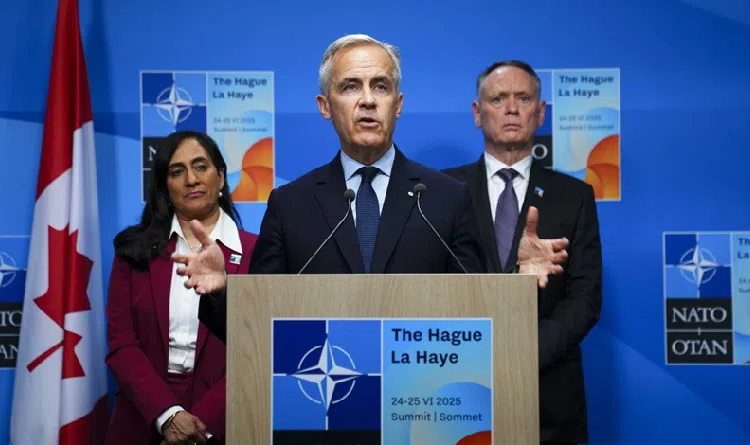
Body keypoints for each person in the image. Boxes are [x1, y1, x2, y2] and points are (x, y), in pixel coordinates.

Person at [175, 35, 570, 337]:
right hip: (323, 411)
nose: (367, 100)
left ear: (397, 105)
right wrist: (221, 293)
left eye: (380, 87)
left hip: (422, 411)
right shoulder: (290, 203)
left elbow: (480, 315)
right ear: (324, 106)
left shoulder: (446, 198)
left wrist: (518, 283)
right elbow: (256, 326)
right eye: (350, 87)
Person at [442, 60, 603, 445]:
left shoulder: (575, 196)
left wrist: (520, 355)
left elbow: (584, 298)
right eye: (497, 98)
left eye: (523, 98)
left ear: (541, 111)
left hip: (546, 401)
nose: (510, 108)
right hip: (454, 404)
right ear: (476, 113)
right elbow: (430, 290)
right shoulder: (439, 193)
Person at [102, 130, 257, 445]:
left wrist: (202, 422)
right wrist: (168, 417)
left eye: (201, 166)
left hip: (228, 428)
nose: (191, 178)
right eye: (176, 170)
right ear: (164, 185)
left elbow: (259, 348)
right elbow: (120, 343)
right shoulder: (134, 251)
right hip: (148, 428)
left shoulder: (259, 252)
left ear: (223, 177)